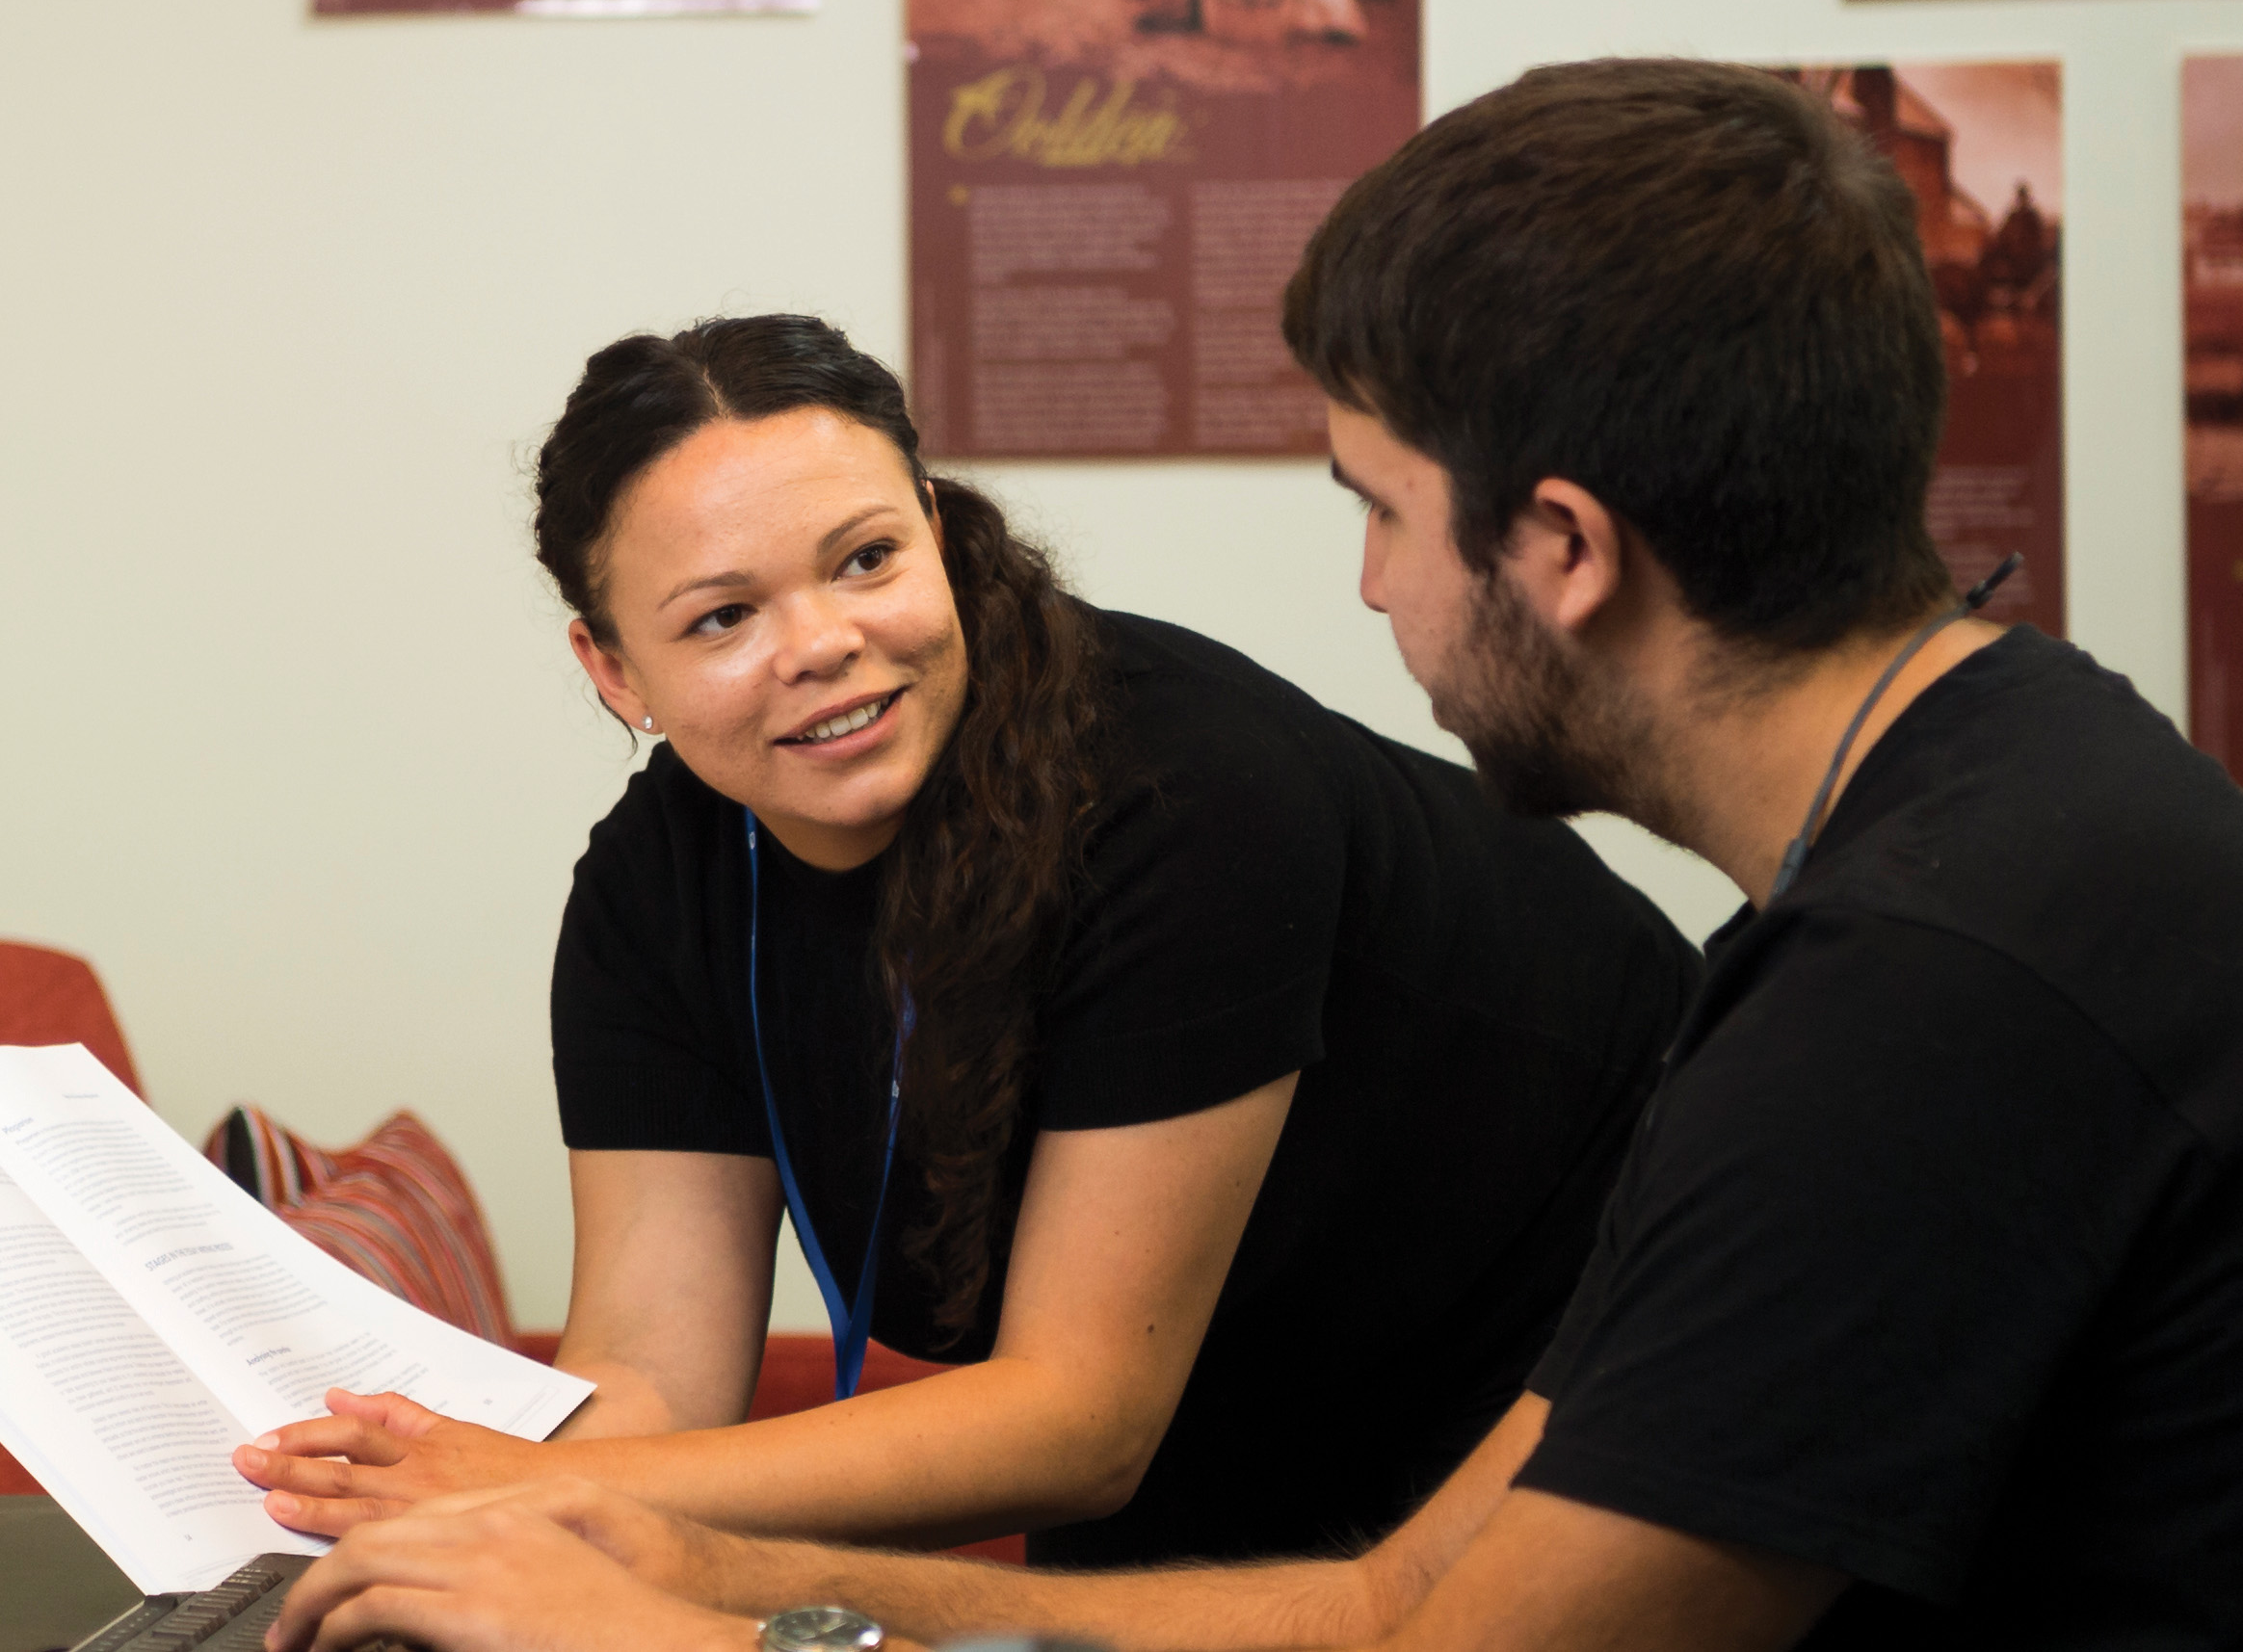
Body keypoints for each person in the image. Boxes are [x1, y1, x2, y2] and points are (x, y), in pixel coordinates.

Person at [257, 58, 2243, 1651]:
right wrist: (684, 1559)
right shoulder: (1958, 844)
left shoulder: (1930, 996)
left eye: (1373, 505)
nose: (1366, 595)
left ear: (1558, 545)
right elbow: (1400, 1608)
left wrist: (716, 1614)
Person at [230, 314, 1702, 1569]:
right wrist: (395, 1479)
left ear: (936, 527)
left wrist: (539, 1489)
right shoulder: (651, 889)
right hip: (1216, 1414)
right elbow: (654, 1378)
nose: (819, 642)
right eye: (724, 615)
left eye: (865, 558)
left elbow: (1075, 1417)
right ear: (611, 666)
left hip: (1599, 1355)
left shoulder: (1184, 793)